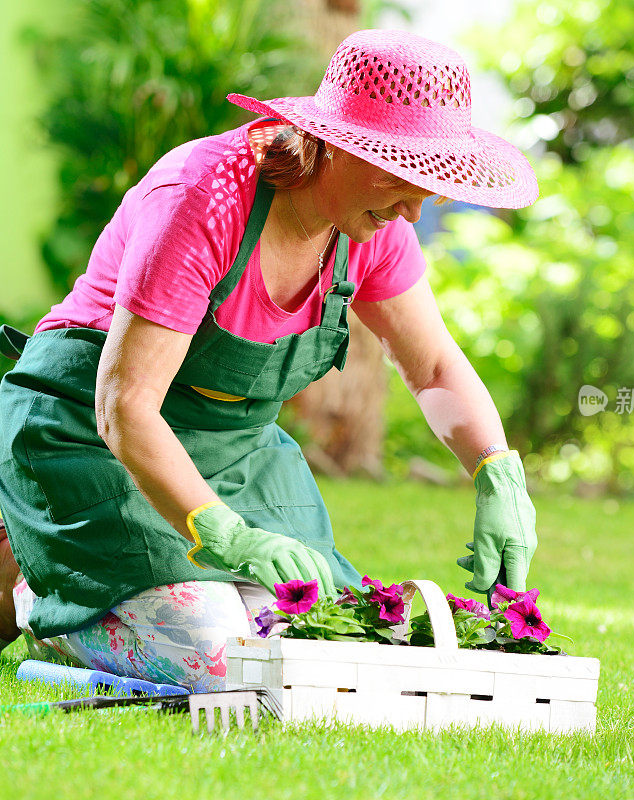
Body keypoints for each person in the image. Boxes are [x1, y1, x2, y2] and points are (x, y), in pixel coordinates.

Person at [0, 28, 539, 690]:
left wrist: (496, 472)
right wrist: (227, 534)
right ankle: (35, 594)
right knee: (221, 659)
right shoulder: (202, 197)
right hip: (93, 433)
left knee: (307, 648)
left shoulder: (372, 228)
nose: (412, 206)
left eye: (429, 182)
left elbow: (432, 368)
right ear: (337, 145)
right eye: (402, 174)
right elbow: (125, 405)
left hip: (233, 449)